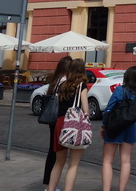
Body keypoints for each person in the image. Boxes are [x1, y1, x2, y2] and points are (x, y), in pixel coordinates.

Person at [47, 59, 90, 191]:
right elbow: (86, 109)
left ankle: (50, 189)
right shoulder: (81, 85)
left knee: (58, 162)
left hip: (60, 122)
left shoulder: (63, 84)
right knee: (73, 164)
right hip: (74, 124)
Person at [101, 66, 136, 191]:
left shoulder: (119, 90)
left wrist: (104, 125)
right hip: (131, 128)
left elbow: (109, 109)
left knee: (107, 161)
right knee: (126, 161)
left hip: (115, 126)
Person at [43, 55, 72, 189]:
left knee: (52, 151)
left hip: (52, 119)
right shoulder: (65, 81)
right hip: (60, 119)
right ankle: (51, 186)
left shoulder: (55, 81)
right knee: (58, 155)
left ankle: (49, 184)